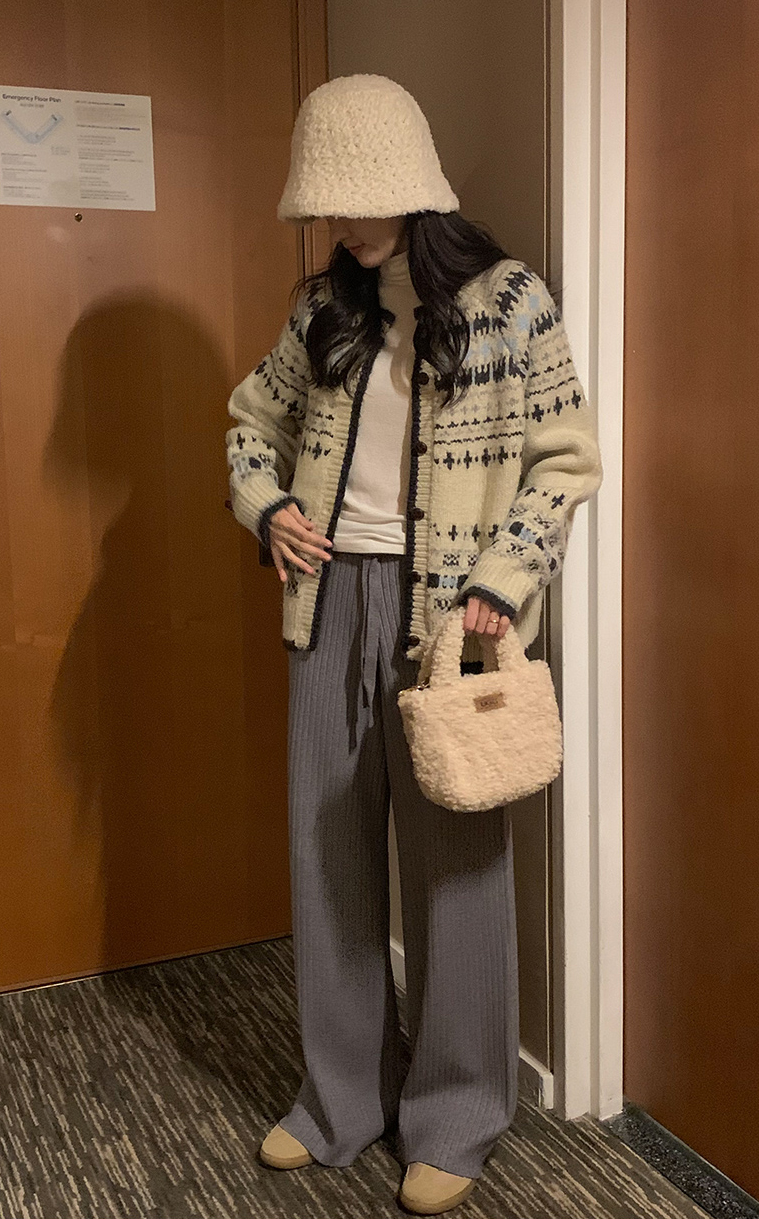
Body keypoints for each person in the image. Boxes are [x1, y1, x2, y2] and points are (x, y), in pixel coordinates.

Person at [224, 73, 603, 1215]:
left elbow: (566, 458)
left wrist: (505, 578)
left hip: (451, 618)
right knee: (329, 859)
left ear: (408, 184)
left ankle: (457, 1114)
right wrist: (266, 508)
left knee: (458, 872)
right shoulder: (321, 309)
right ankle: (339, 1098)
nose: (339, 225)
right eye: (325, 205)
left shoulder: (510, 302)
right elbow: (251, 423)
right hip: (328, 605)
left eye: (355, 200)